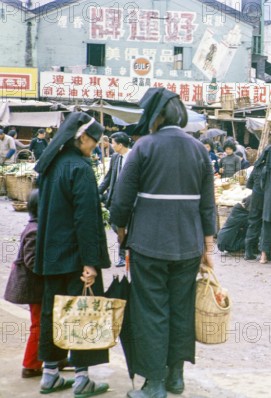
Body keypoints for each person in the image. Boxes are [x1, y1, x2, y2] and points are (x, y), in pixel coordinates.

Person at [110, 88, 216, 398]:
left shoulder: (143, 148)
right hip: (189, 245)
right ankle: (176, 378)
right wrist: (208, 249)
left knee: (151, 310)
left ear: (155, 117)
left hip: (148, 245)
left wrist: (121, 232)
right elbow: (208, 206)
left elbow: (121, 201)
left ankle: (154, 384)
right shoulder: (199, 149)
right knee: (180, 309)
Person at [34, 112, 111, 396]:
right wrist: (91, 262)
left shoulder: (52, 166)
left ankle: (50, 374)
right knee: (83, 314)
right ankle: (81, 379)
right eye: (95, 141)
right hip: (77, 255)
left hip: (52, 255)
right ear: (82, 138)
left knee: (52, 312)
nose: (96, 147)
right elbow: (87, 219)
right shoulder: (80, 168)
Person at [3, 189, 45, 378]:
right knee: (39, 325)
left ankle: (52, 358)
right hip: (34, 288)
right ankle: (31, 365)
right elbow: (32, 261)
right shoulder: (34, 231)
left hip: (37, 287)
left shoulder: (36, 227)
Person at [98, 132, 132, 267]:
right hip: (115, 199)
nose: (111, 145)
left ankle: (123, 255)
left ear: (120, 145)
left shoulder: (134, 157)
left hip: (130, 200)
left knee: (125, 227)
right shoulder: (115, 157)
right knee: (115, 225)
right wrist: (96, 192)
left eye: (113, 143)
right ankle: (124, 250)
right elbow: (108, 177)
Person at [244, 146, 271, 260]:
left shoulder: (257, 166)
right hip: (266, 200)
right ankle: (264, 252)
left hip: (255, 199)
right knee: (266, 225)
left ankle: (248, 252)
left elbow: (248, 184)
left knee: (253, 224)